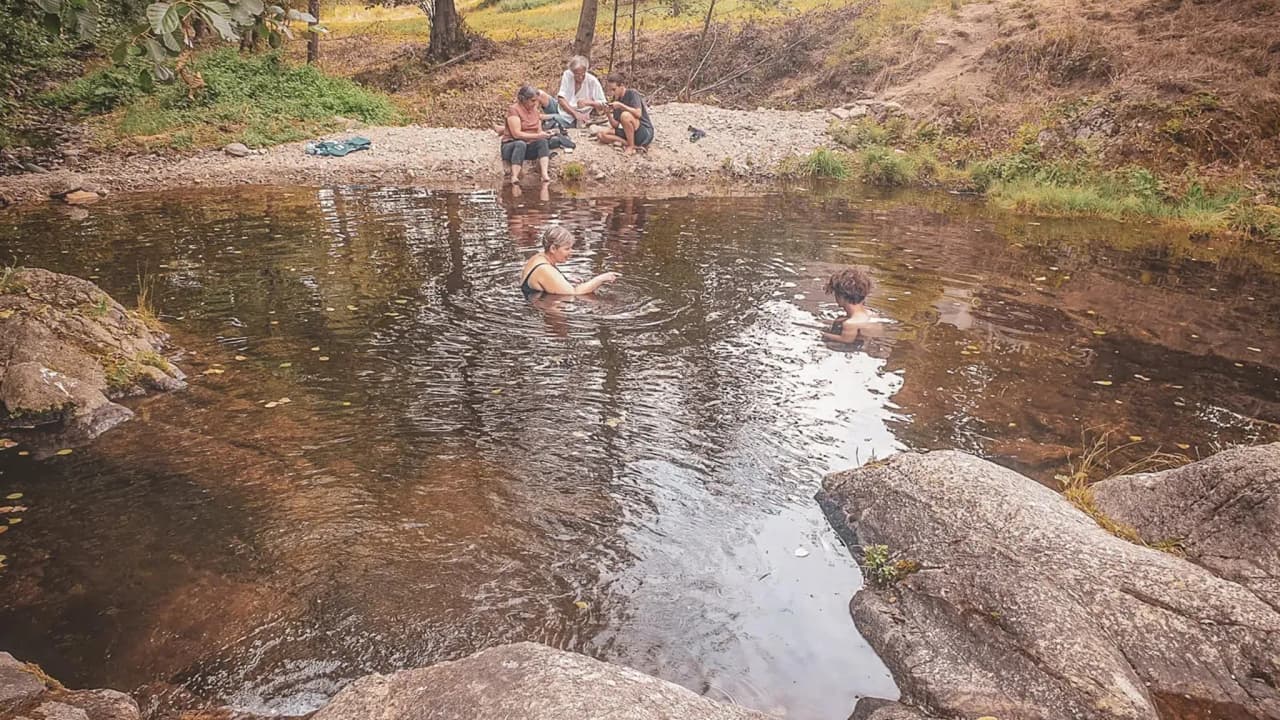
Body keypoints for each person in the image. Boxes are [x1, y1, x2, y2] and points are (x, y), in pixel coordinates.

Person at [520, 226, 620, 297]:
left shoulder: (538, 257)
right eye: (567, 249)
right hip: (547, 308)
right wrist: (601, 278)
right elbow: (574, 293)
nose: (571, 253)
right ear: (553, 248)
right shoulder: (544, 269)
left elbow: (548, 279)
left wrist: (564, 279)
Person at [500, 85, 554, 185]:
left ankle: (544, 174)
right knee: (520, 144)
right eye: (533, 101)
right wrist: (538, 136)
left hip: (528, 146)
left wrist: (546, 134)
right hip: (511, 146)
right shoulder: (514, 110)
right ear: (524, 100)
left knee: (543, 142)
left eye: (536, 101)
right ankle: (514, 176)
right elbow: (516, 134)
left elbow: (539, 132)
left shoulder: (535, 111)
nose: (535, 104)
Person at [596, 73, 654, 156]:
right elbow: (616, 125)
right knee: (601, 134)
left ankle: (630, 146)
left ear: (621, 86)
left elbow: (638, 113)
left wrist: (621, 106)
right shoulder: (616, 99)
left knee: (625, 115)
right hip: (630, 131)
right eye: (609, 90)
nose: (611, 93)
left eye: (614, 90)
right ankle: (631, 144)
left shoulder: (632, 94)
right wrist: (608, 113)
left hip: (643, 131)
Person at [822, 267, 875, 343]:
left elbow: (846, 340)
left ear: (840, 297)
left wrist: (824, 334)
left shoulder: (850, 324)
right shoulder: (871, 314)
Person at [555, 56, 607, 128]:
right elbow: (561, 98)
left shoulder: (592, 81)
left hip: (575, 118)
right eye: (577, 74)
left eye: (582, 74)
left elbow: (604, 104)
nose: (580, 77)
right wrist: (575, 113)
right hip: (564, 110)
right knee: (540, 95)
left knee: (548, 119)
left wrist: (589, 102)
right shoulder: (567, 75)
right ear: (572, 72)